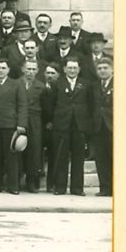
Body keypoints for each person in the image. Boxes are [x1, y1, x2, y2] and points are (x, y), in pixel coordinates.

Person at [0, 56, 29, 195]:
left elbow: (22, 105)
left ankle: (13, 186)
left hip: (10, 125)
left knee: (12, 157)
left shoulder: (16, 84)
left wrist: (21, 124)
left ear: (8, 70)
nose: (1, 71)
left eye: (3, 68)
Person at [49, 57, 94, 195]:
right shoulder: (57, 84)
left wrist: (86, 125)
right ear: (64, 69)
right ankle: (60, 187)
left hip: (79, 125)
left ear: (79, 69)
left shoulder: (86, 84)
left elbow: (91, 105)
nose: (72, 70)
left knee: (78, 158)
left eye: (75, 68)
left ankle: (77, 189)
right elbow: (51, 104)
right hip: (62, 125)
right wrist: (54, 121)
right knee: (61, 157)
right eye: (70, 68)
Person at [91, 57, 115, 197]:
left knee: (115, 158)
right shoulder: (94, 86)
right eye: (99, 68)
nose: (102, 71)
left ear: (112, 69)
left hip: (114, 127)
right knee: (101, 158)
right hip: (98, 127)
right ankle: (104, 188)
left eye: (105, 68)